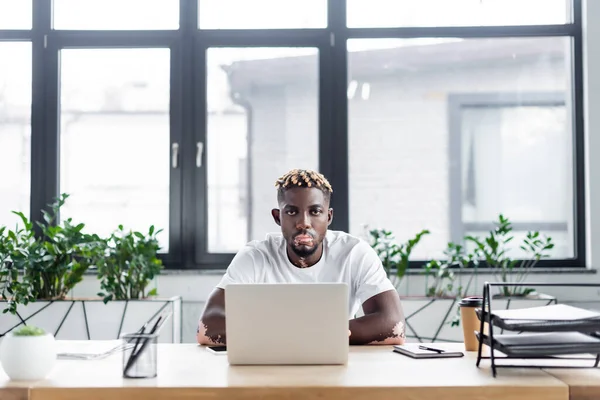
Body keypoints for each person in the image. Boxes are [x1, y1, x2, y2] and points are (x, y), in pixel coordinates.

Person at [197, 168, 405, 346]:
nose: (303, 222)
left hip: (333, 361)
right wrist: (307, 335)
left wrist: (305, 335)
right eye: (291, 212)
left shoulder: (354, 253)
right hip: (271, 366)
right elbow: (207, 327)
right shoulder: (255, 256)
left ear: (329, 217)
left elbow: (393, 324)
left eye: (315, 212)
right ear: (278, 217)